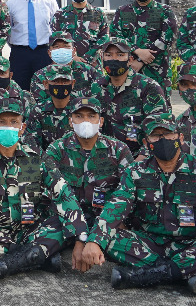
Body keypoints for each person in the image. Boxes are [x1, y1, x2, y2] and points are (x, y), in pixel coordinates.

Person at [86, 114, 196, 296]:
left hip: (193, 243)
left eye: (168, 134)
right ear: (147, 143)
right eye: (156, 135)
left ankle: (147, 275)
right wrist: (95, 240)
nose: (163, 139)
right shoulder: (136, 172)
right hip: (151, 243)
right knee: (109, 239)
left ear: (180, 137)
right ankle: (186, 273)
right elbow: (117, 204)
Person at [0, 94, 85, 279]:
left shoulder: (37, 157)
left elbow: (64, 194)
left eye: (14, 121)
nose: (8, 126)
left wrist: (80, 239)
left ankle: (11, 260)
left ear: (22, 128)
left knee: (62, 224)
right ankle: (38, 255)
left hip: (30, 229)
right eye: (1, 121)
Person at [42, 97, 133, 274]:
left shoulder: (119, 150)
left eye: (91, 116)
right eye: (79, 116)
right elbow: (61, 194)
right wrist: (80, 237)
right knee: (39, 238)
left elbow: (125, 195)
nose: (85, 121)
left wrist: (96, 238)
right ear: (70, 121)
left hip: (105, 217)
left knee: (132, 244)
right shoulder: (56, 150)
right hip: (67, 220)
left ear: (101, 121)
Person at [94, 38, 169, 157]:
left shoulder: (148, 87)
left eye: (120, 55)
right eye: (108, 55)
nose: (114, 59)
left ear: (130, 60)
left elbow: (159, 129)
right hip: (106, 157)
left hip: (139, 157)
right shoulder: (96, 87)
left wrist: (140, 160)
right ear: (102, 59)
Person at [110, 0, 179, 92]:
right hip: (129, 72)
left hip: (157, 74)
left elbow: (168, 38)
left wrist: (141, 61)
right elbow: (115, 37)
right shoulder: (122, 11)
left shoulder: (165, 11)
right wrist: (136, 50)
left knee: (160, 108)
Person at [6, 0, 59, 89]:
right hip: (20, 53)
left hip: (44, 52)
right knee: (18, 89)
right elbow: (7, 30)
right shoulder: (11, 4)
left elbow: (56, 28)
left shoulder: (50, 2)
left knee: (45, 88)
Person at [50, 0, 109, 66]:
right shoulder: (60, 14)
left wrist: (88, 57)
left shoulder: (98, 13)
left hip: (93, 65)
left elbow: (105, 38)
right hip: (67, 64)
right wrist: (73, 57)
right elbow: (55, 40)